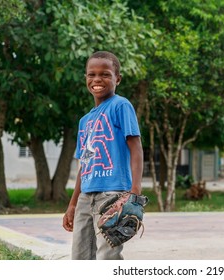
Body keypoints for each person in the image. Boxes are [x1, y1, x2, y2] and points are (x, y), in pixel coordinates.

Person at [62, 51, 144, 260]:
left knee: (108, 257)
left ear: (118, 78)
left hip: (113, 195)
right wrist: (72, 204)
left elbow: (135, 147)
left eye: (105, 74)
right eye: (92, 74)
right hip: (85, 197)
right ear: (86, 78)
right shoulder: (85, 121)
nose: (97, 79)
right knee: (80, 257)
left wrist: (134, 193)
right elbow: (85, 164)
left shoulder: (121, 105)